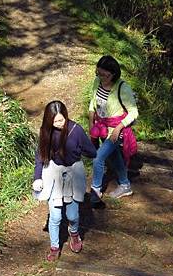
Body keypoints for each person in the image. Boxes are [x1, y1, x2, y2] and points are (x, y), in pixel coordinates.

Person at [33, 101, 97, 261]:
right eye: (54, 121)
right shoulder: (45, 132)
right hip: (53, 173)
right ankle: (55, 246)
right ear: (48, 121)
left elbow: (92, 152)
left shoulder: (76, 130)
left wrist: (81, 149)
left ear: (66, 116)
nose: (59, 124)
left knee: (73, 215)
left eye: (61, 120)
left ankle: (73, 233)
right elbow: (40, 156)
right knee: (55, 217)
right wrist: (37, 177)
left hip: (73, 173)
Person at [89, 55, 138, 203]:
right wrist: (91, 121)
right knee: (114, 156)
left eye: (105, 75)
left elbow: (134, 112)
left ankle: (95, 190)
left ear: (114, 73)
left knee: (98, 157)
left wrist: (119, 128)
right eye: (98, 73)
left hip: (117, 131)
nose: (101, 77)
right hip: (101, 127)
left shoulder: (123, 88)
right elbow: (93, 102)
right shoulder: (97, 81)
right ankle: (125, 185)